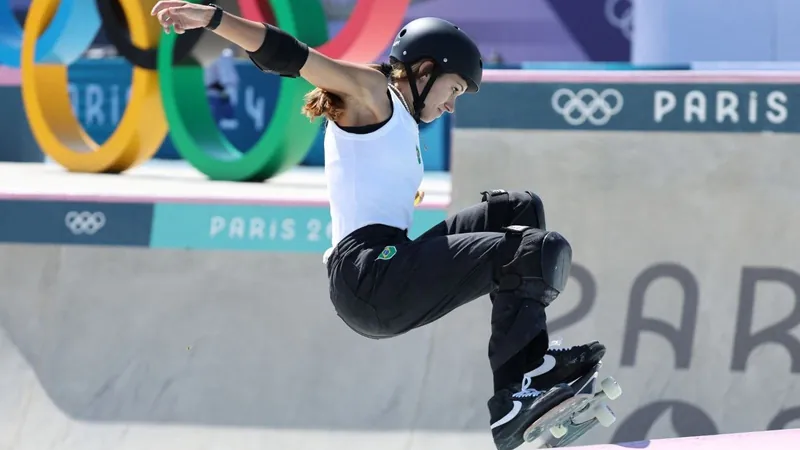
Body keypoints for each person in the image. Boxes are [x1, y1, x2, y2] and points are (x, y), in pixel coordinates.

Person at [151, 3, 607, 449]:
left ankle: (528, 372)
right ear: (424, 70)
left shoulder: (400, 120)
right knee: (533, 249)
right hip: (369, 276)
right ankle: (514, 400)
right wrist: (212, 18)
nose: (451, 106)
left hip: (389, 259)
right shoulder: (372, 92)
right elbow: (293, 58)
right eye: (454, 89)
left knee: (519, 209)